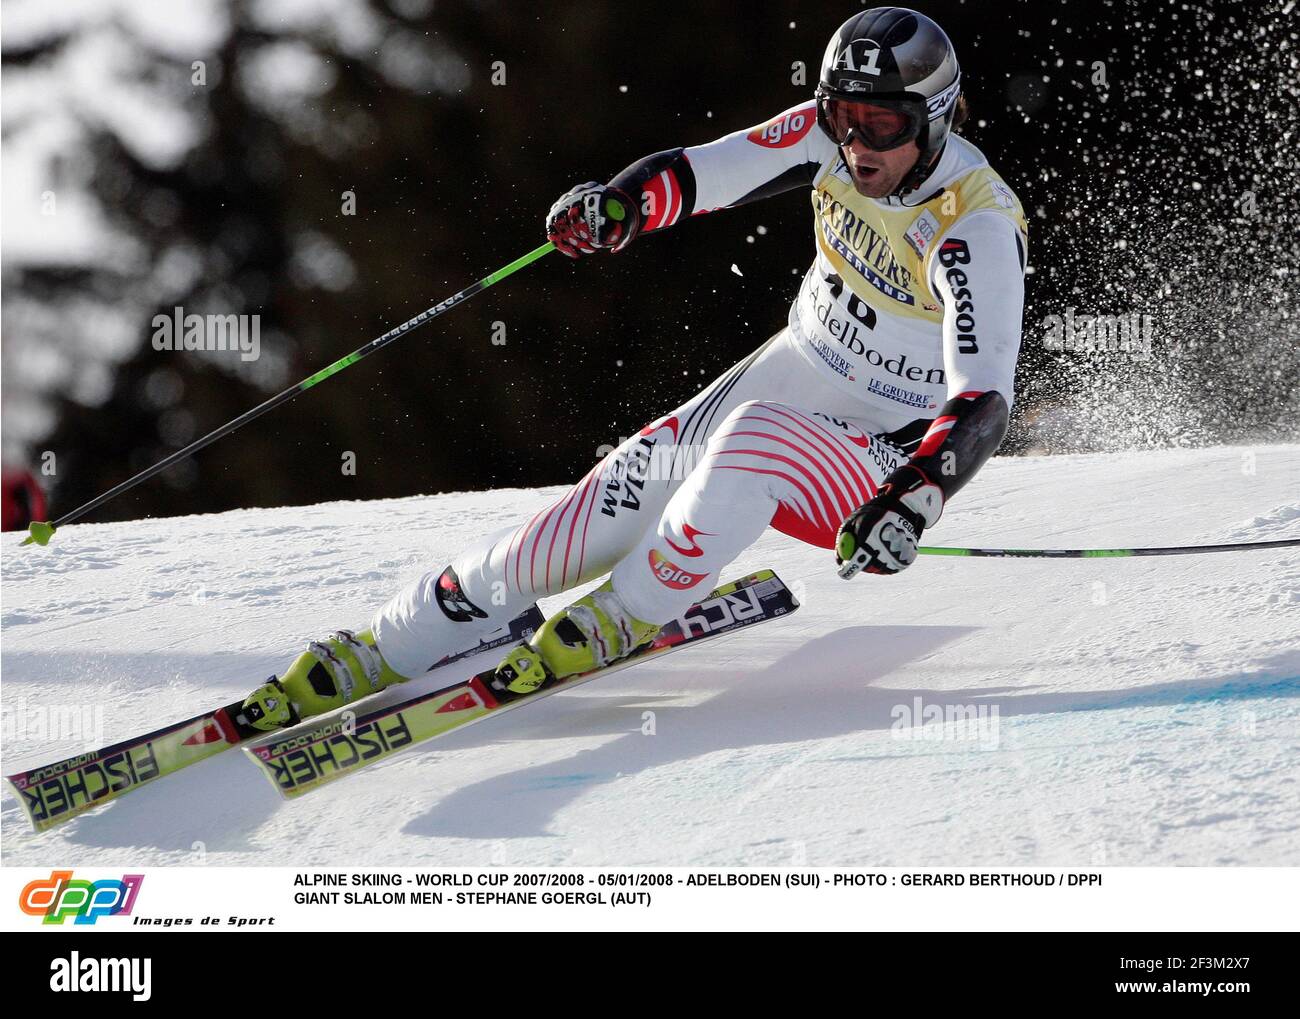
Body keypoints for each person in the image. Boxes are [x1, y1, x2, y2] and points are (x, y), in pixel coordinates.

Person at [241, 6, 1028, 729]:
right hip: (796, 369)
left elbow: (985, 396)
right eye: (843, 117)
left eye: (882, 124)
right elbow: (700, 173)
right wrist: (617, 207)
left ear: (933, 115)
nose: (858, 145)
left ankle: (629, 610)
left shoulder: (973, 225)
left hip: (885, 458)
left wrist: (915, 499)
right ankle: (388, 643)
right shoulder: (830, 143)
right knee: (583, 522)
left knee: (757, 441)